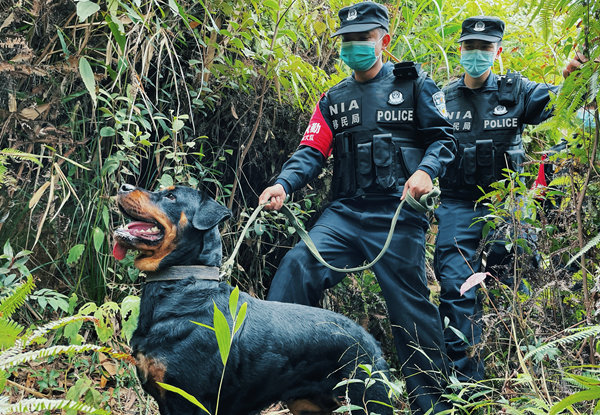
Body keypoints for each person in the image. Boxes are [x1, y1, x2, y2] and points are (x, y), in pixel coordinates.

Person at [258, 2, 457, 413]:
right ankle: (305, 392)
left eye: (362, 38)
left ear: (383, 41)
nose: (353, 46)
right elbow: (310, 152)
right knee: (296, 268)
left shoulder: (416, 85)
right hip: (345, 215)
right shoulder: (333, 99)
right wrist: (282, 184)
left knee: (410, 308)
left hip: (397, 216)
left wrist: (425, 172)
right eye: (347, 40)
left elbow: (444, 140)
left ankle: (433, 404)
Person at [434, 16, 581, 383]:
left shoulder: (516, 92)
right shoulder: (441, 100)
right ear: (461, 50)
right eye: (471, 47)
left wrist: (574, 79)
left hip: (508, 203)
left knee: (518, 269)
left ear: (497, 51)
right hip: (457, 204)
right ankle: (467, 383)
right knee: (454, 286)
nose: (477, 54)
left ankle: (524, 366)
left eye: (485, 48)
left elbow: (564, 104)